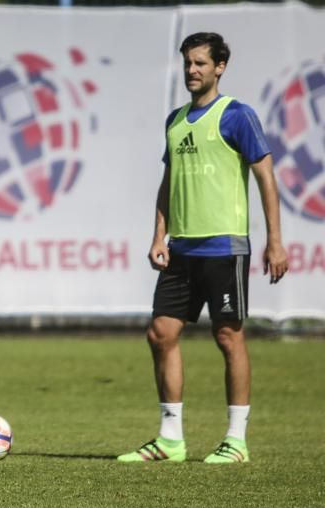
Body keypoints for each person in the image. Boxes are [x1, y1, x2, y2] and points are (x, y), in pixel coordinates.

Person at [118, 32, 288, 465]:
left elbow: (266, 177)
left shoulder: (237, 116)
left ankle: (236, 440)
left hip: (224, 247)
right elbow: (167, 183)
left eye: (200, 63)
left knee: (228, 335)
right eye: (188, 64)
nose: (192, 71)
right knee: (161, 333)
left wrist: (275, 241)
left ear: (220, 67)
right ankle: (170, 439)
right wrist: (159, 234)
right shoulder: (175, 120)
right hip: (182, 248)